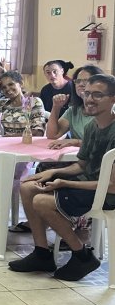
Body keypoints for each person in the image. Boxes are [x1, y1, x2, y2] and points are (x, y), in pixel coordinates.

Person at [8, 73, 115, 281]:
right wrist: (54, 172)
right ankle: (42, 253)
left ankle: (82, 255)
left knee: (42, 201)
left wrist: (62, 182)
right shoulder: (92, 127)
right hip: (89, 185)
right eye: (87, 93)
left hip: (106, 194)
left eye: (98, 95)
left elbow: (111, 186)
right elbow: (82, 165)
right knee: (28, 186)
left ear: (113, 99)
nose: (90, 99)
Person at [0, 72, 45, 222]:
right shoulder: (3, 104)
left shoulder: (33, 102)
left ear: (20, 83)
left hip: (24, 152)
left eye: (11, 84)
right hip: (4, 149)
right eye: (4, 88)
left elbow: (38, 132)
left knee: (3, 172)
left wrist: (8, 138)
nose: (8, 89)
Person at [46, 65, 104, 148]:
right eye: (78, 81)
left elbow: (104, 143)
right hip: (77, 157)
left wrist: (75, 142)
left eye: (86, 81)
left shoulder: (107, 109)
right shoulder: (74, 111)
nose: (81, 84)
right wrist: (56, 107)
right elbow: (52, 135)